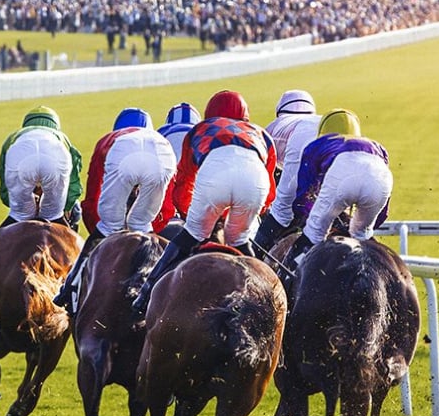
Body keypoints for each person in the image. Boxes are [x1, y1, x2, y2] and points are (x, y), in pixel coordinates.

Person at [131, 90, 276, 316]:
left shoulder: (200, 129)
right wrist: (241, 215)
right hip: (254, 182)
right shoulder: (261, 134)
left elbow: (185, 181)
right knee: (239, 239)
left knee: (191, 235)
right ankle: (268, 298)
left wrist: (195, 217)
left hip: (215, 179)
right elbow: (269, 192)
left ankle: (145, 293)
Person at [52, 108, 177, 313]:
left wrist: (104, 231)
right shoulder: (158, 140)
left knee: (109, 225)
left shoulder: (108, 141)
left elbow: (92, 200)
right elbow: (167, 207)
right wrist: (151, 228)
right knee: (142, 226)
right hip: (162, 155)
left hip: (124, 156)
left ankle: (69, 288)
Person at [280, 109, 393, 274]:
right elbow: (383, 211)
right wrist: (367, 227)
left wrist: (303, 217)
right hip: (380, 180)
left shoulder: (317, 145)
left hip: (343, 179)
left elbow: (304, 191)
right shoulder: (378, 147)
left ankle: (289, 274)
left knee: (314, 233)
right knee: (362, 236)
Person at [252, 90, 321, 256]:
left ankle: (253, 255)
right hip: (334, 140)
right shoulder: (318, 120)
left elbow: (261, 177)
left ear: (279, 112)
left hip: (298, 145)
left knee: (281, 211)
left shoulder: (271, 128)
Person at [0, 106, 83, 229]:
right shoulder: (62, 138)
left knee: (18, 217)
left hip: (20, 156)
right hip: (55, 158)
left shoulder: (13, 138)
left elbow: (5, 189)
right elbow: (74, 184)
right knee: (54, 216)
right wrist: (66, 206)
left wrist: (23, 207)